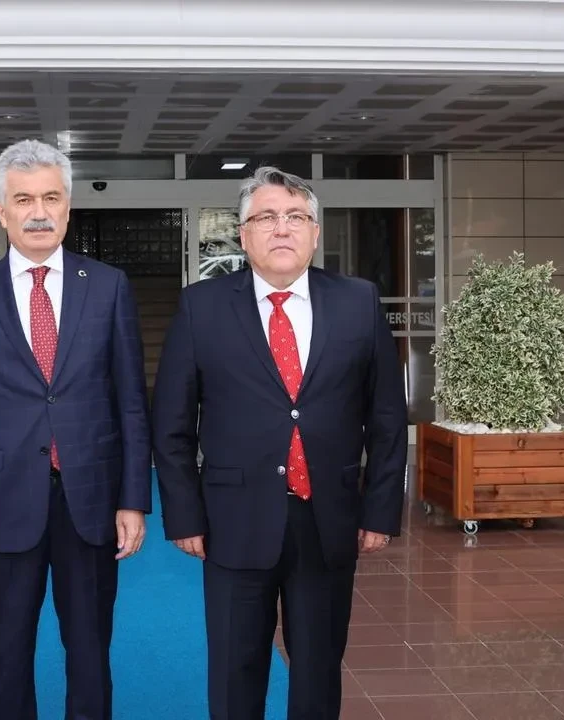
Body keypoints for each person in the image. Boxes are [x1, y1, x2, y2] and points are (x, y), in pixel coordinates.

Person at [151, 166, 408, 720]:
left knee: (318, 668)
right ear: (243, 236)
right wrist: (184, 515)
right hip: (232, 522)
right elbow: (171, 424)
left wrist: (380, 510)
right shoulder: (201, 307)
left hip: (328, 520)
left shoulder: (358, 302)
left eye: (296, 216)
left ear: (315, 232)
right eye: (266, 217)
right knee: (235, 669)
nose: (282, 228)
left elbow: (388, 418)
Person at [0, 138, 151, 720]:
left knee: (90, 653)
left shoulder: (107, 286)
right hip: (0, 504)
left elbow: (131, 402)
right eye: (24, 199)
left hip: (91, 502)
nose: (38, 212)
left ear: (68, 208)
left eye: (51, 198)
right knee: (4, 656)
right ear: (1, 212)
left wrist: (133, 498)